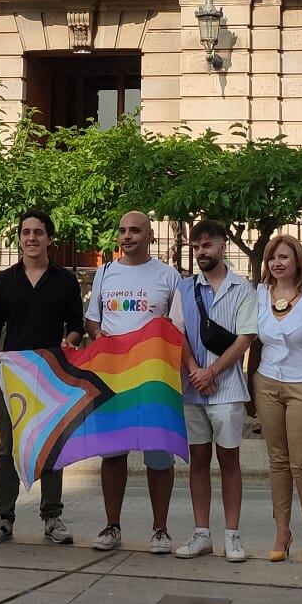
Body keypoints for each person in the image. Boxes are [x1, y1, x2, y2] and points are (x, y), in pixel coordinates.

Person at [0, 209, 83, 547]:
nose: (32, 238)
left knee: (51, 445)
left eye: (39, 232)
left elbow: (76, 327)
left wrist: (71, 343)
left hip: (52, 373)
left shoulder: (66, 281)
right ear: (20, 238)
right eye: (26, 232)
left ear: (49, 238)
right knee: (8, 446)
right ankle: (3, 517)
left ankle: (52, 516)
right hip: (13, 375)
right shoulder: (4, 281)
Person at [86, 210, 182, 554]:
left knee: (158, 456)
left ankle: (160, 530)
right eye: (123, 231)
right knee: (113, 454)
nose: (127, 237)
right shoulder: (105, 273)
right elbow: (93, 322)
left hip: (154, 379)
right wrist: (101, 338)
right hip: (114, 377)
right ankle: (112, 526)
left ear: (150, 235)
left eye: (135, 231)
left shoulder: (168, 276)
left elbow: (177, 328)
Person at [172, 219, 258, 563]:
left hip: (226, 389)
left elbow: (245, 337)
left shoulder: (242, 288)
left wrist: (213, 371)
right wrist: (194, 370)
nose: (200, 253)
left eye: (206, 245)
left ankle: (233, 535)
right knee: (198, 461)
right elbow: (176, 333)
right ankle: (201, 533)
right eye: (195, 247)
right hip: (192, 388)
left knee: (229, 461)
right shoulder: (183, 288)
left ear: (223, 245)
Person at [251, 234, 302, 565]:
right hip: (267, 384)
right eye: (273, 257)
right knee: (277, 460)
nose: (277, 262)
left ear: (298, 261)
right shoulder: (258, 296)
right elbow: (251, 341)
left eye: (284, 257)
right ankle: (282, 531)